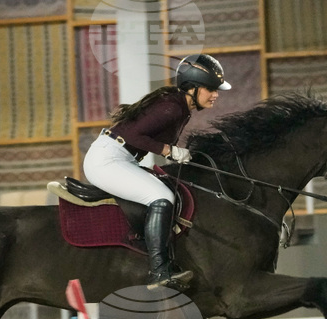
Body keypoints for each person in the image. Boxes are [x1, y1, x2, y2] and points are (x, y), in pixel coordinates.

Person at [82, 54, 230, 290]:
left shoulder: (179, 106)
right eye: (210, 89)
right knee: (162, 197)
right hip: (107, 160)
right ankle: (159, 272)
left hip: (119, 158)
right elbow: (132, 136)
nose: (215, 95)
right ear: (192, 88)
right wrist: (168, 151)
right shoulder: (172, 108)